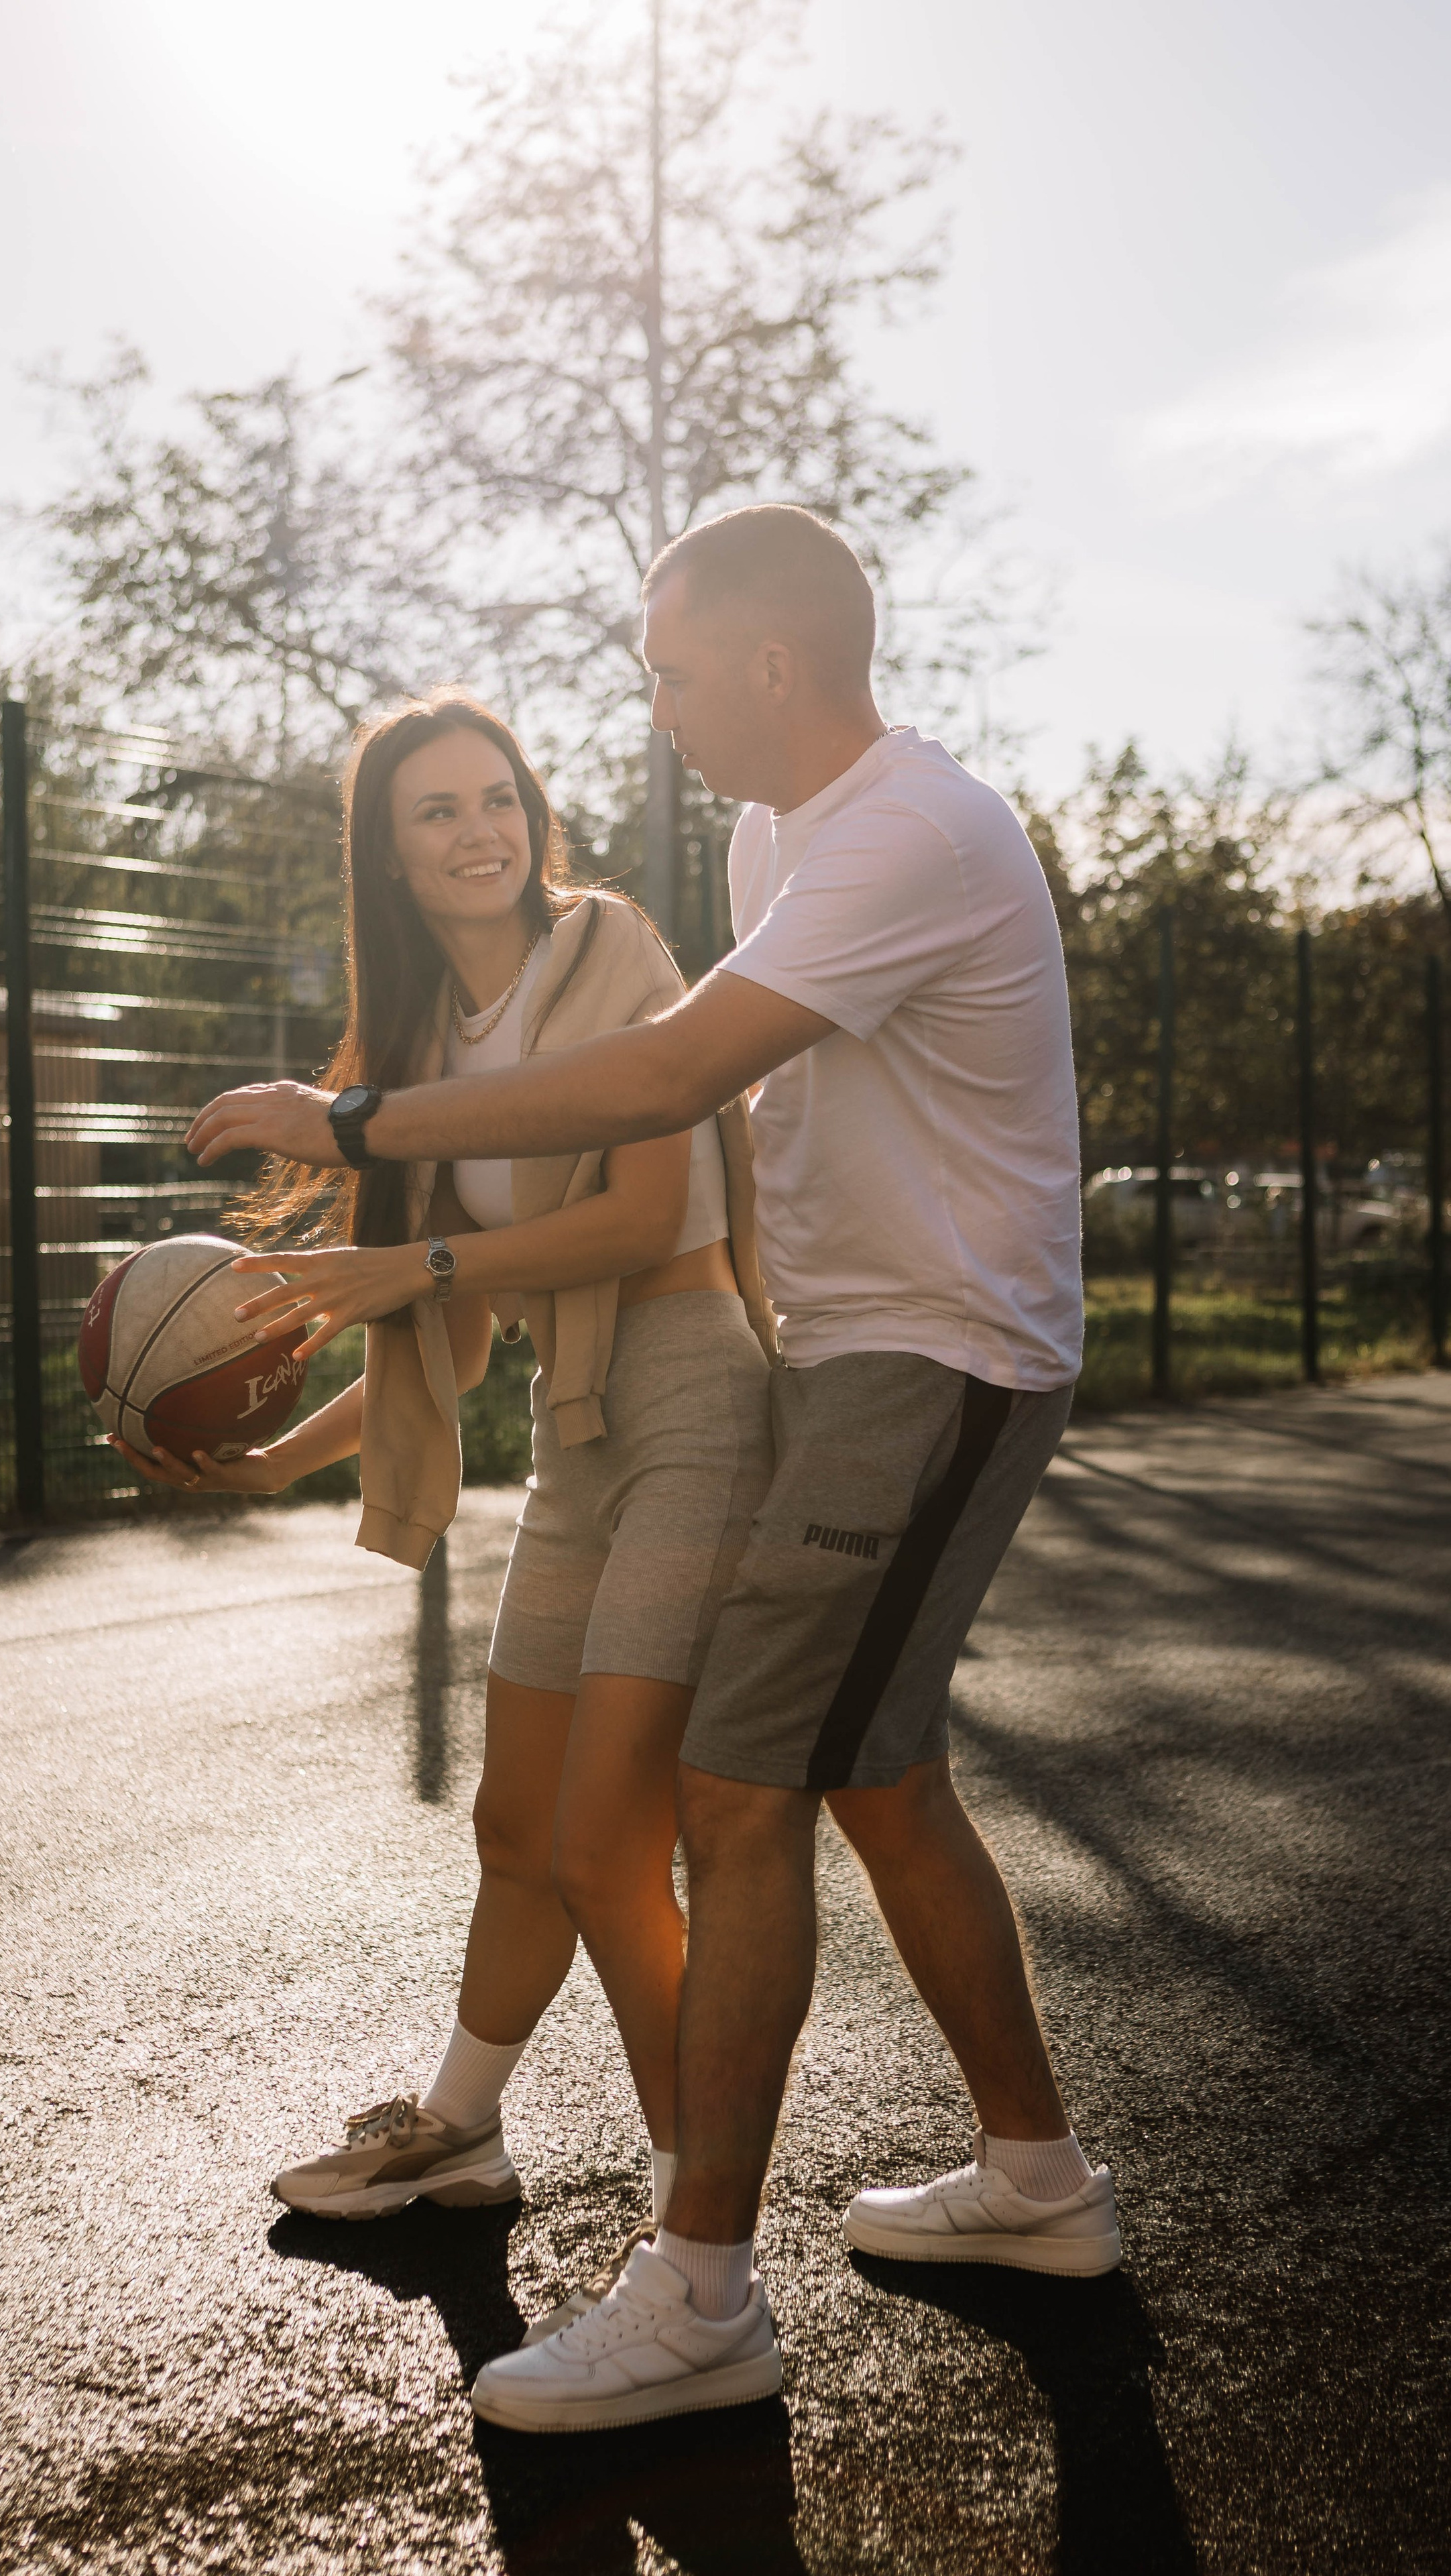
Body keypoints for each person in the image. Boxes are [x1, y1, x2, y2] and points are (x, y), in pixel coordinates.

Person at [183, 506, 1120, 2436]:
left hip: (936, 1361)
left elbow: (659, 1091)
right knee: (872, 1778)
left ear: (772, 665)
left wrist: (359, 1124)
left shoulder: (905, 834)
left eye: (672, 671)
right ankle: (1039, 2186)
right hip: (857, 1361)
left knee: (731, 1787)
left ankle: (700, 2292)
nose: (655, 707)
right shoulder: (783, 836)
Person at [113, 692, 774, 2259]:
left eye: (498, 798)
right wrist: (274, 1454)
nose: (478, 831)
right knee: (512, 1826)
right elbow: (451, 1327)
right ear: (389, 855)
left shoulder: (608, 948)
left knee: (609, 1843)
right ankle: (461, 2133)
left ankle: (701, 2239)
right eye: (435, 811)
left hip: (693, 1402)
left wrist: (411, 1254)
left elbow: (630, 1223)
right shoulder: (412, 1052)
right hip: (576, 1432)